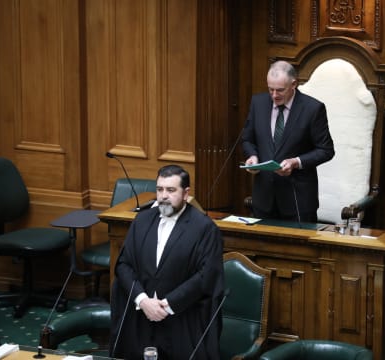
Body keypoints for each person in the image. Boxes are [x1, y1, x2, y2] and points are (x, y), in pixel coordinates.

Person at [109, 165, 224, 360]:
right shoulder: (142, 220)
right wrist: (143, 300)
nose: (163, 196)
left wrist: (167, 305)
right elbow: (123, 265)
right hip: (141, 318)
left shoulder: (205, 228)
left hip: (182, 321)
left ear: (186, 194)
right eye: (160, 189)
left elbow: (207, 275)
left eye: (171, 190)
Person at [241, 60, 335, 223]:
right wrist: (253, 156)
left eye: (280, 90)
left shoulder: (312, 109)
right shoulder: (259, 103)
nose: (274, 95)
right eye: (270, 89)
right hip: (263, 198)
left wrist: (296, 162)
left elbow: (326, 150)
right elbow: (247, 139)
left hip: (297, 200)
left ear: (294, 84)